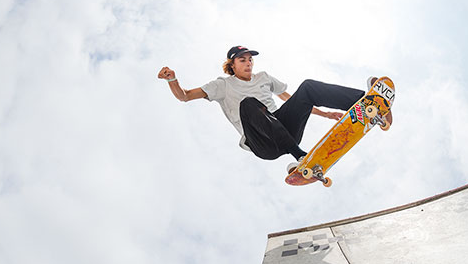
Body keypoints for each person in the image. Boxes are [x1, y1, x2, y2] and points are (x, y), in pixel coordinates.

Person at [157, 45, 392, 172]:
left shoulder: (264, 78)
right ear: (232, 65)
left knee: (308, 87)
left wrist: (325, 113)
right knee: (249, 104)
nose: (248, 63)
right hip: (262, 142)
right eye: (242, 60)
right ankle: (300, 155)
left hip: (284, 128)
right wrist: (172, 80)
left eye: (250, 60)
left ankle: (369, 102)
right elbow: (185, 96)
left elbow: (290, 98)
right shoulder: (222, 85)